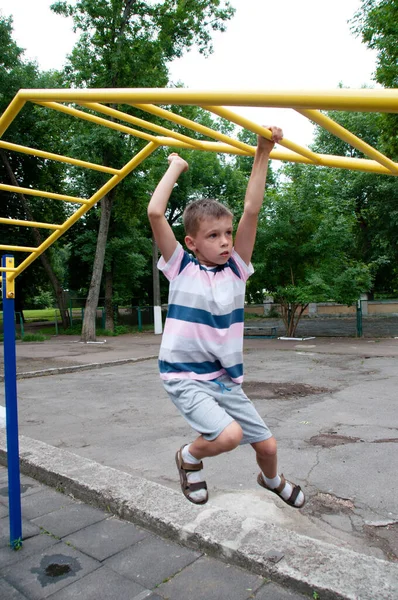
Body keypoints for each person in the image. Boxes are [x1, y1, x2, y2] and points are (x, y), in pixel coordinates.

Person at [147, 126, 305, 509]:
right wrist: (176, 166)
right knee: (229, 436)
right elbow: (155, 212)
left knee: (267, 445)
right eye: (213, 235)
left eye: (227, 234)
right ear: (192, 242)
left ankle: (271, 480)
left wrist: (263, 151)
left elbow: (252, 209)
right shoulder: (180, 267)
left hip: (223, 380)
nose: (224, 241)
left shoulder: (237, 269)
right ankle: (189, 457)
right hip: (184, 376)